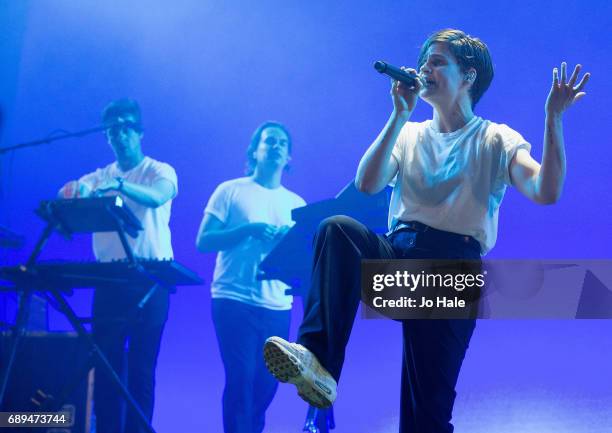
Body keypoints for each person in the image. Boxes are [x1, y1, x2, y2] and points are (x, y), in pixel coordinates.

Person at [263, 29, 590, 432]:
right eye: (424, 61)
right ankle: (318, 365)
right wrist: (399, 113)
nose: (425, 68)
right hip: (398, 258)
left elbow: (546, 191)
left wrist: (553, 119)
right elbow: (367, 184)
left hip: (450, 274)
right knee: (338, 230)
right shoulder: (411, 133)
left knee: (425, 418)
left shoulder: (496, 138)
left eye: (438, 61)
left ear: (468, 76)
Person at [59, 98, 178, 433]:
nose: (120, 135)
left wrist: (121, 186)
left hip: (151, 278)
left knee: (141, 368)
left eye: (126, 127)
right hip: (110, 278)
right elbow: (68, 193)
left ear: (139, 132)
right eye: (112, 130)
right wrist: (75, 190)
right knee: (107, 363)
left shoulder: (159, 170)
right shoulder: (100, 176)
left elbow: (159, 195)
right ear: (107, 138)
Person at [196, 121, 306, 433]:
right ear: (254, 151)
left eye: (282, 143)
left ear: (289, 158)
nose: (276, 146)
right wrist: (248, 230)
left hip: (276, 304)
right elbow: (204, 241)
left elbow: (303, 261)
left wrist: (288, 242)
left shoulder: (296, 205)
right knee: (240, 377)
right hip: (234, 299)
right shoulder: (230, 191)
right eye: (269, 141)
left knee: (267, 383)